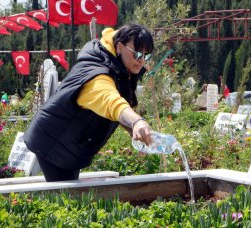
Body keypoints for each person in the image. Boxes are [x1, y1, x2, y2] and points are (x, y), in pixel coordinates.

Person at [24, 23, 154, 182]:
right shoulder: (97, 74)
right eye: (137, 54)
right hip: (53, 140)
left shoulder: (116, 65)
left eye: (146, 56)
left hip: (70, 140)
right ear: (119, 47)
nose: (141, 61)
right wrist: (137, 121)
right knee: (66, 199)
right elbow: (110, 101)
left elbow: (113, 107)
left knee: (70, 195)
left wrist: (132, 128)